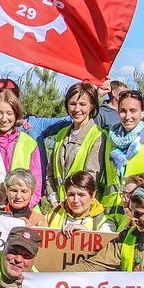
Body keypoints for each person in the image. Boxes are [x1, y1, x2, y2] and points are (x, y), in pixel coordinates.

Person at [41, 82, 104, 212]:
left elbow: (92, 176)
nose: (76, 109)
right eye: (73, 104)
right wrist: (54, 200)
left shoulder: (98, 136)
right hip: (59, 208)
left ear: (92, 106)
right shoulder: (61, 135)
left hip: (83, 210)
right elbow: (50, 172)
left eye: (82, 104)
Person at [0, 93, 42, 211]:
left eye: (9, 113)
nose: (4, 118)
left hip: (24, 212)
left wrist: (21, 210)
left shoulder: (29, 143)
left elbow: (37, 185)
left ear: (16, 114)